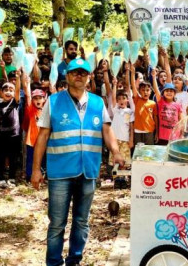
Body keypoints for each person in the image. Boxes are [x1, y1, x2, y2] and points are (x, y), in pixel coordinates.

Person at [31, 58, 124, 266]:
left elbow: (107, 130)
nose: (79, 76)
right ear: (68, 76)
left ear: (89, 77)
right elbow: (43, 136)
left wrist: (116, 152)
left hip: (88, 172)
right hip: (60, 173)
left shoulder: (97, 102)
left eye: (83, 73)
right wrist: (36, 169)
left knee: (81, 222)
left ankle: (75, 260)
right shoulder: (53, 101)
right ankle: (54, 263)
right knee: (57, 223)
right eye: (75, 72)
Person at [0, 70, 23, 188]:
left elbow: (18, 90)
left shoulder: (15, 103)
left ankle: (12, 178)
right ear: (1, 92)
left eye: (11, 90)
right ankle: (0, 178)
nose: (8, 92)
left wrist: (18, 78)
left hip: (14, 135)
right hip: (2, 135)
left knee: (13, 156)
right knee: (1, 156)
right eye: (6, 90)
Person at [152, 77, 184, 146]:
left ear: (174, 93)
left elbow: (181, 121)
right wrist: (154, 77)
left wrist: (182, 134)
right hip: (162, 136)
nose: (169, 92)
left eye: (171, 91)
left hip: (175, 137)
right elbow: (156, 90)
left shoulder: (178, 105)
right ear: (163, 93)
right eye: (167, 91)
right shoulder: (161, 102)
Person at [22, 88, 46, 180]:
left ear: (44, 99)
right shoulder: (31, 110)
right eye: (35, 98)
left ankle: (43, 174)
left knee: (43, 158)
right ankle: (29, 175)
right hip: (32, 140)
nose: (38, 100)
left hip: (43, 141)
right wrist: (27, 84)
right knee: (31, 158)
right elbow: (28, 97)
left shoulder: (46, 111)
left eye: (40, 98)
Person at [130, 65, 157, 145]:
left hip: (149, 131)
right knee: (138, 153)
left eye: (147, 90)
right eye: (143, 90)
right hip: (137, 131)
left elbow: (155, 118)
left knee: (149, 153)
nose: (145, 92)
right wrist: (132, 73)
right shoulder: (137, 99)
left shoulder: (153, 103)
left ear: (150, 92)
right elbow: (133, 86)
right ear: (139, 91)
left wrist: (157, 133)